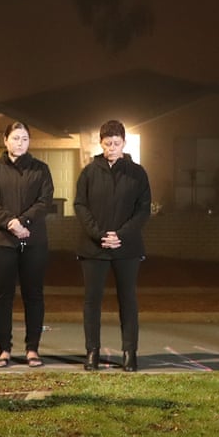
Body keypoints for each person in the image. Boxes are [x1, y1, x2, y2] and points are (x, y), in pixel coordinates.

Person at [74, 120, 151, 371]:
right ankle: (92, 353)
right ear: (101, 143)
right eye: (108, 143)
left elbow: (143, 210)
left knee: (128, 300)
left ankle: (130, 353)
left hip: (127, 248)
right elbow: (80, 206)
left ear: (124, 143)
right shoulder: (88, 172)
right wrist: (99, 235)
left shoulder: (137, 173)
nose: (112, 148)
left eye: (117, 143)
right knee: (92, 301)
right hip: (93, 248)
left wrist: (121, 235)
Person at [0, 121, 55, 367]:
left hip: (34, 242)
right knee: (3, 296)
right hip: (1, 242)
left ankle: (32, 349)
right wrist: (10, 223)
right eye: (15, 138)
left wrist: (23, 221)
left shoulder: (41, 169)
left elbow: (45, 201)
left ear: (29, 142)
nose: (19, 143)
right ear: (5, 141)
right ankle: (4, 349)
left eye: (24, 138)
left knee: (33, 295)